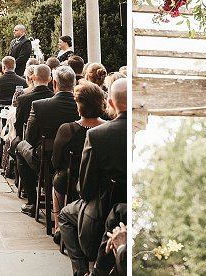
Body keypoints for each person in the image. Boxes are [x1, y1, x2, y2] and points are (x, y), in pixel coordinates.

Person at [59, 77, 128, 275]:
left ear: (111, 103)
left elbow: (86, 188)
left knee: (65, 214)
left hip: (99, 213)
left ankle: (81, 271)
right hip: (127, 210)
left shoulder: (97, 135)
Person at [17, 65, 80, 217]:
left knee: (20, 146)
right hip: (76, 160)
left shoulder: (40, 106)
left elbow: (30, 139)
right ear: (74, 84)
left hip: (45, 160)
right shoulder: (81, 106)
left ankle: (32, 201)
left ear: (55, 84)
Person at [51, 81, 106, 240]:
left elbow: (56, 161)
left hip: (71, 180)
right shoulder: (107, 128)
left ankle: (58, 227)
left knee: (58, 180)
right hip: (101, 185)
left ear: (79, 105)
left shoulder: (67, 129)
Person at [12, 63, 54, 153]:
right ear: (50, 79)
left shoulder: (23, 99)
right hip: (53, 145)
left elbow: (18, 124)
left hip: (31, 145)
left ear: (33, 77)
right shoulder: (54, 98)